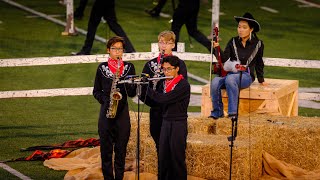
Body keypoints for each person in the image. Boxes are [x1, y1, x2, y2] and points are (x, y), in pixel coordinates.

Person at [139, 30, 188, 171]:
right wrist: (154, 103)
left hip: (172, 112)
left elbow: (181, 87)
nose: (163, 45)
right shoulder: (150, 65)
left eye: (167, 42)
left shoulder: (179, 64)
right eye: (161, 42)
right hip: (156, 112)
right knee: (160, 148)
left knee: (175, 151)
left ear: (173, 45)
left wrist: (164, 99)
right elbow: (143, 89)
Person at [93, 36, 136, 180]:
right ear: (108, 50)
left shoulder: (129, 67)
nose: (117, 52)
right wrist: (107, 100)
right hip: (107, 113)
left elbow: (132, 93)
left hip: (122, 115)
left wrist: (130, 84)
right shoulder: (102, 68)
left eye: (120, 49)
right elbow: (96, 91)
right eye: (114, 48)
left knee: (121, 150)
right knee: (106, 151)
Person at [209, 12, 266, 119]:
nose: (240, 30)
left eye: (244, 27)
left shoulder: (258, 44)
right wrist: (217, 49)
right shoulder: (233, 41)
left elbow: (259, 62)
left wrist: (261, 79)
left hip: (246, 75)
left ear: (251, 29)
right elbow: (224, 59)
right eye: (239, 27)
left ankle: (232, 114)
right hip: (231, 73)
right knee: (215, 82)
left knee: (230, 79)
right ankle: (217, 112)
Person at [146, 55, 190, 180]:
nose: (166, 72)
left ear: (177, 69)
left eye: (169, 69)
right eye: (164, 69)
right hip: (165, 122)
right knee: (163, 157)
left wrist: (147, 88)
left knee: (177, 158)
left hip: (178, 123)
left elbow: (163, 99)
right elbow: (155, 101)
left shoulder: (183, 85)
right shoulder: (163, 84)